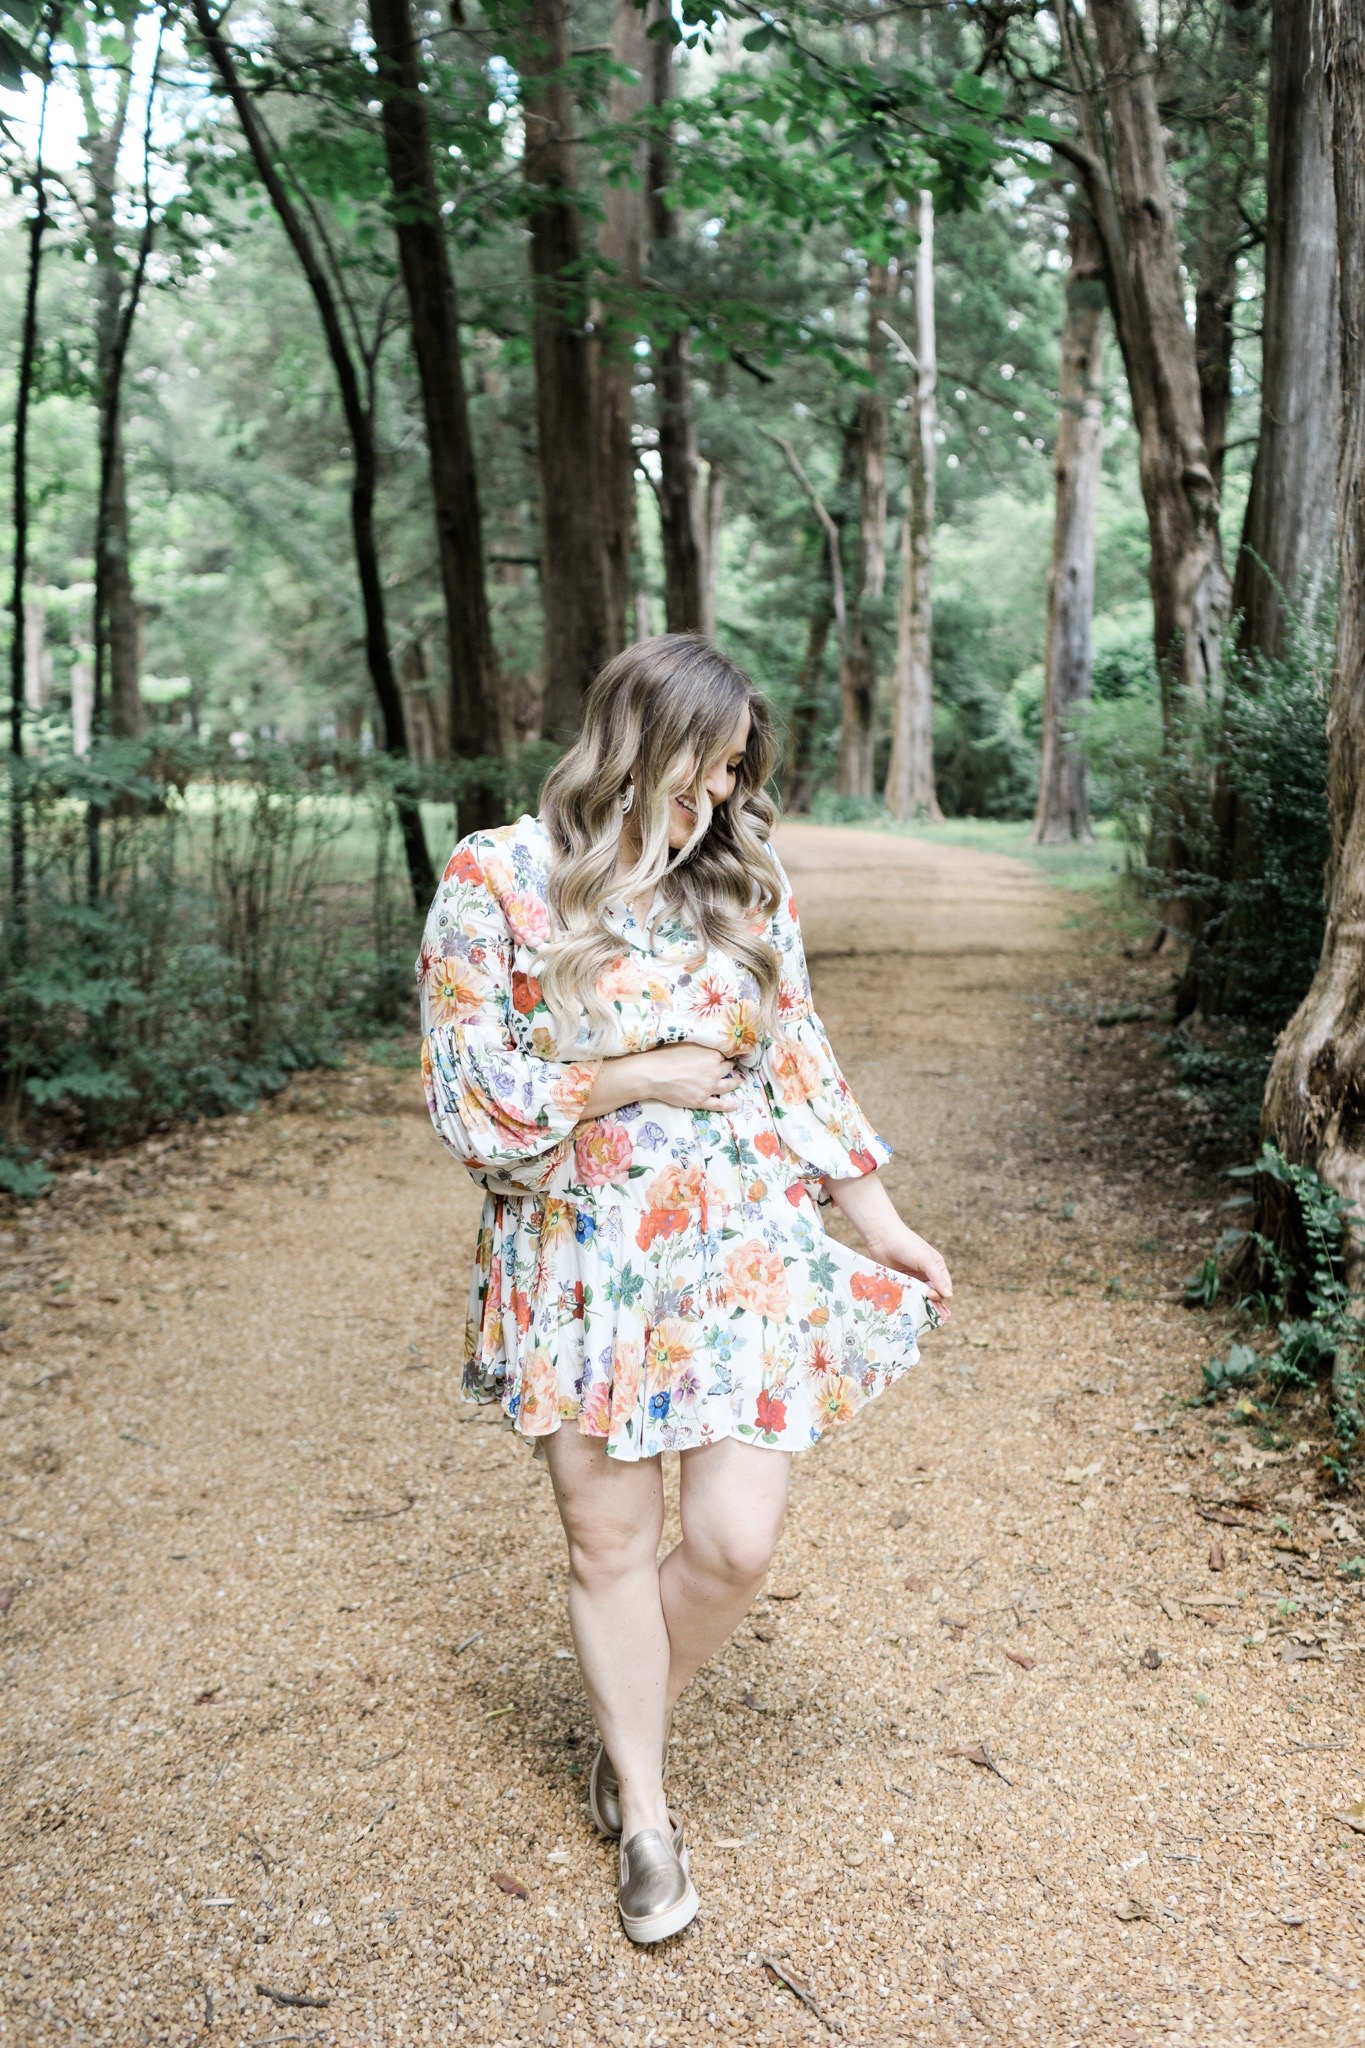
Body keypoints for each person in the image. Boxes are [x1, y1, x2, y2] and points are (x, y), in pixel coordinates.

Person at [417, 634, 952, 1944]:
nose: (712, 797)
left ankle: (624, 1712)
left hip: (732, 1250)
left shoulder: (739, 893)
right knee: (605, 1543)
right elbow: (463, 1084)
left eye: (728, 775)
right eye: (699, 767)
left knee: (732, 1543)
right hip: (574, 1256)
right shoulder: (496, 876)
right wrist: (629, 1077)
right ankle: (644, 1813)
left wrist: (878, 1221)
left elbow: (796, 1061)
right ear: (634, 741)